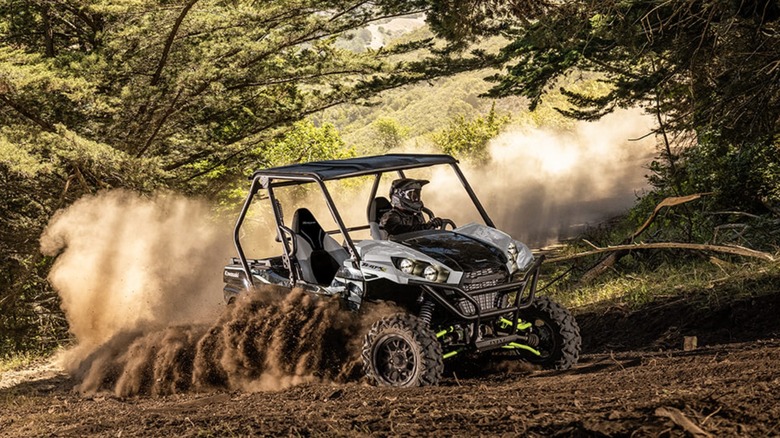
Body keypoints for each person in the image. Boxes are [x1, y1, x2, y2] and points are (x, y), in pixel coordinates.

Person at [380, 178, 445, 235]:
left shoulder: (415, 215)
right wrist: (425, 227)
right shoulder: (390, 217)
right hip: (397, 248)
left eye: (417, 195)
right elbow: (400, 232)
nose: (416, 199)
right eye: (412, 195)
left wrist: (432, 225)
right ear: (399, 196)